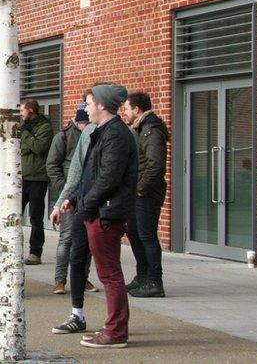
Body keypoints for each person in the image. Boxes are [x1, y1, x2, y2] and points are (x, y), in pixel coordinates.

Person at [59, 83, 137, 349]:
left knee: (110, 274)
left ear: (102, 105)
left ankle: (115, 331)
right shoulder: (103, 132)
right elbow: (91, 176)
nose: (86, 109)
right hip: (98, 209)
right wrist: (73, 199)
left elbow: (107, 179)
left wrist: (86, 206)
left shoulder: (115, 134)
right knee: (108, 272)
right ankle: (114, 327)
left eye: (89, 103)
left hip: (105, 212)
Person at [123, 92, 169, 298]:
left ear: (137, 110)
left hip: (147, 193)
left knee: (147, 236)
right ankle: (142, 276)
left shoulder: (151, 131)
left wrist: (140, 189)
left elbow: (155, 166)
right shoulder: (142, 129)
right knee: (134, 232)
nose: (124, 112)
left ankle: (154, 281)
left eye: (126, 108)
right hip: (138, 193)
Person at [45, 103, 92, 295]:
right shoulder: (63, 136)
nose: (87, 126)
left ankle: (82, 277)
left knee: (86, 240)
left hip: (88, 194)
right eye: (84, 123)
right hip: (68, 194)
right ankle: (60, 279)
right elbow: (52, 165)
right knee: (66, 238)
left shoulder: (94, 134)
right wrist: (63, 190)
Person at [20, 99, 53, 265]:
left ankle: (35, 252)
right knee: (13, 212)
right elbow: (23, 148)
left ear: (31, 110)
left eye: (22, 111)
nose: (21, 114)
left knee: (36, 217)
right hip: (23, 177)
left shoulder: (45, 127)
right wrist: (28, 142)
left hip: (38, 178)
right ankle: (13, 247)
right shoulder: (26, 127)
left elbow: (39, 147)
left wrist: (25, 135)